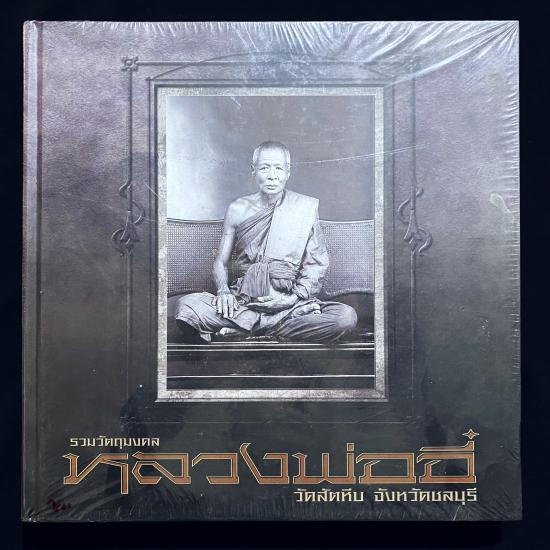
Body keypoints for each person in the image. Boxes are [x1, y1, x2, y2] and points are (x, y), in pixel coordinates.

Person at [174, 141, 357, 344]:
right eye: (264, 168)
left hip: (289, 301)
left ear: (288, 172)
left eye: (278, 168)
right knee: (186, 307)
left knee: (344, 318)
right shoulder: (237, 209)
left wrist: (290, 300)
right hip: (243, 303)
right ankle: (272, 325)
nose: (272, 176)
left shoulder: (304, 208)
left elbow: (316, 264)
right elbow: (220, 261)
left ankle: (246, 329)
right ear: (253, 170)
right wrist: (223, 291)